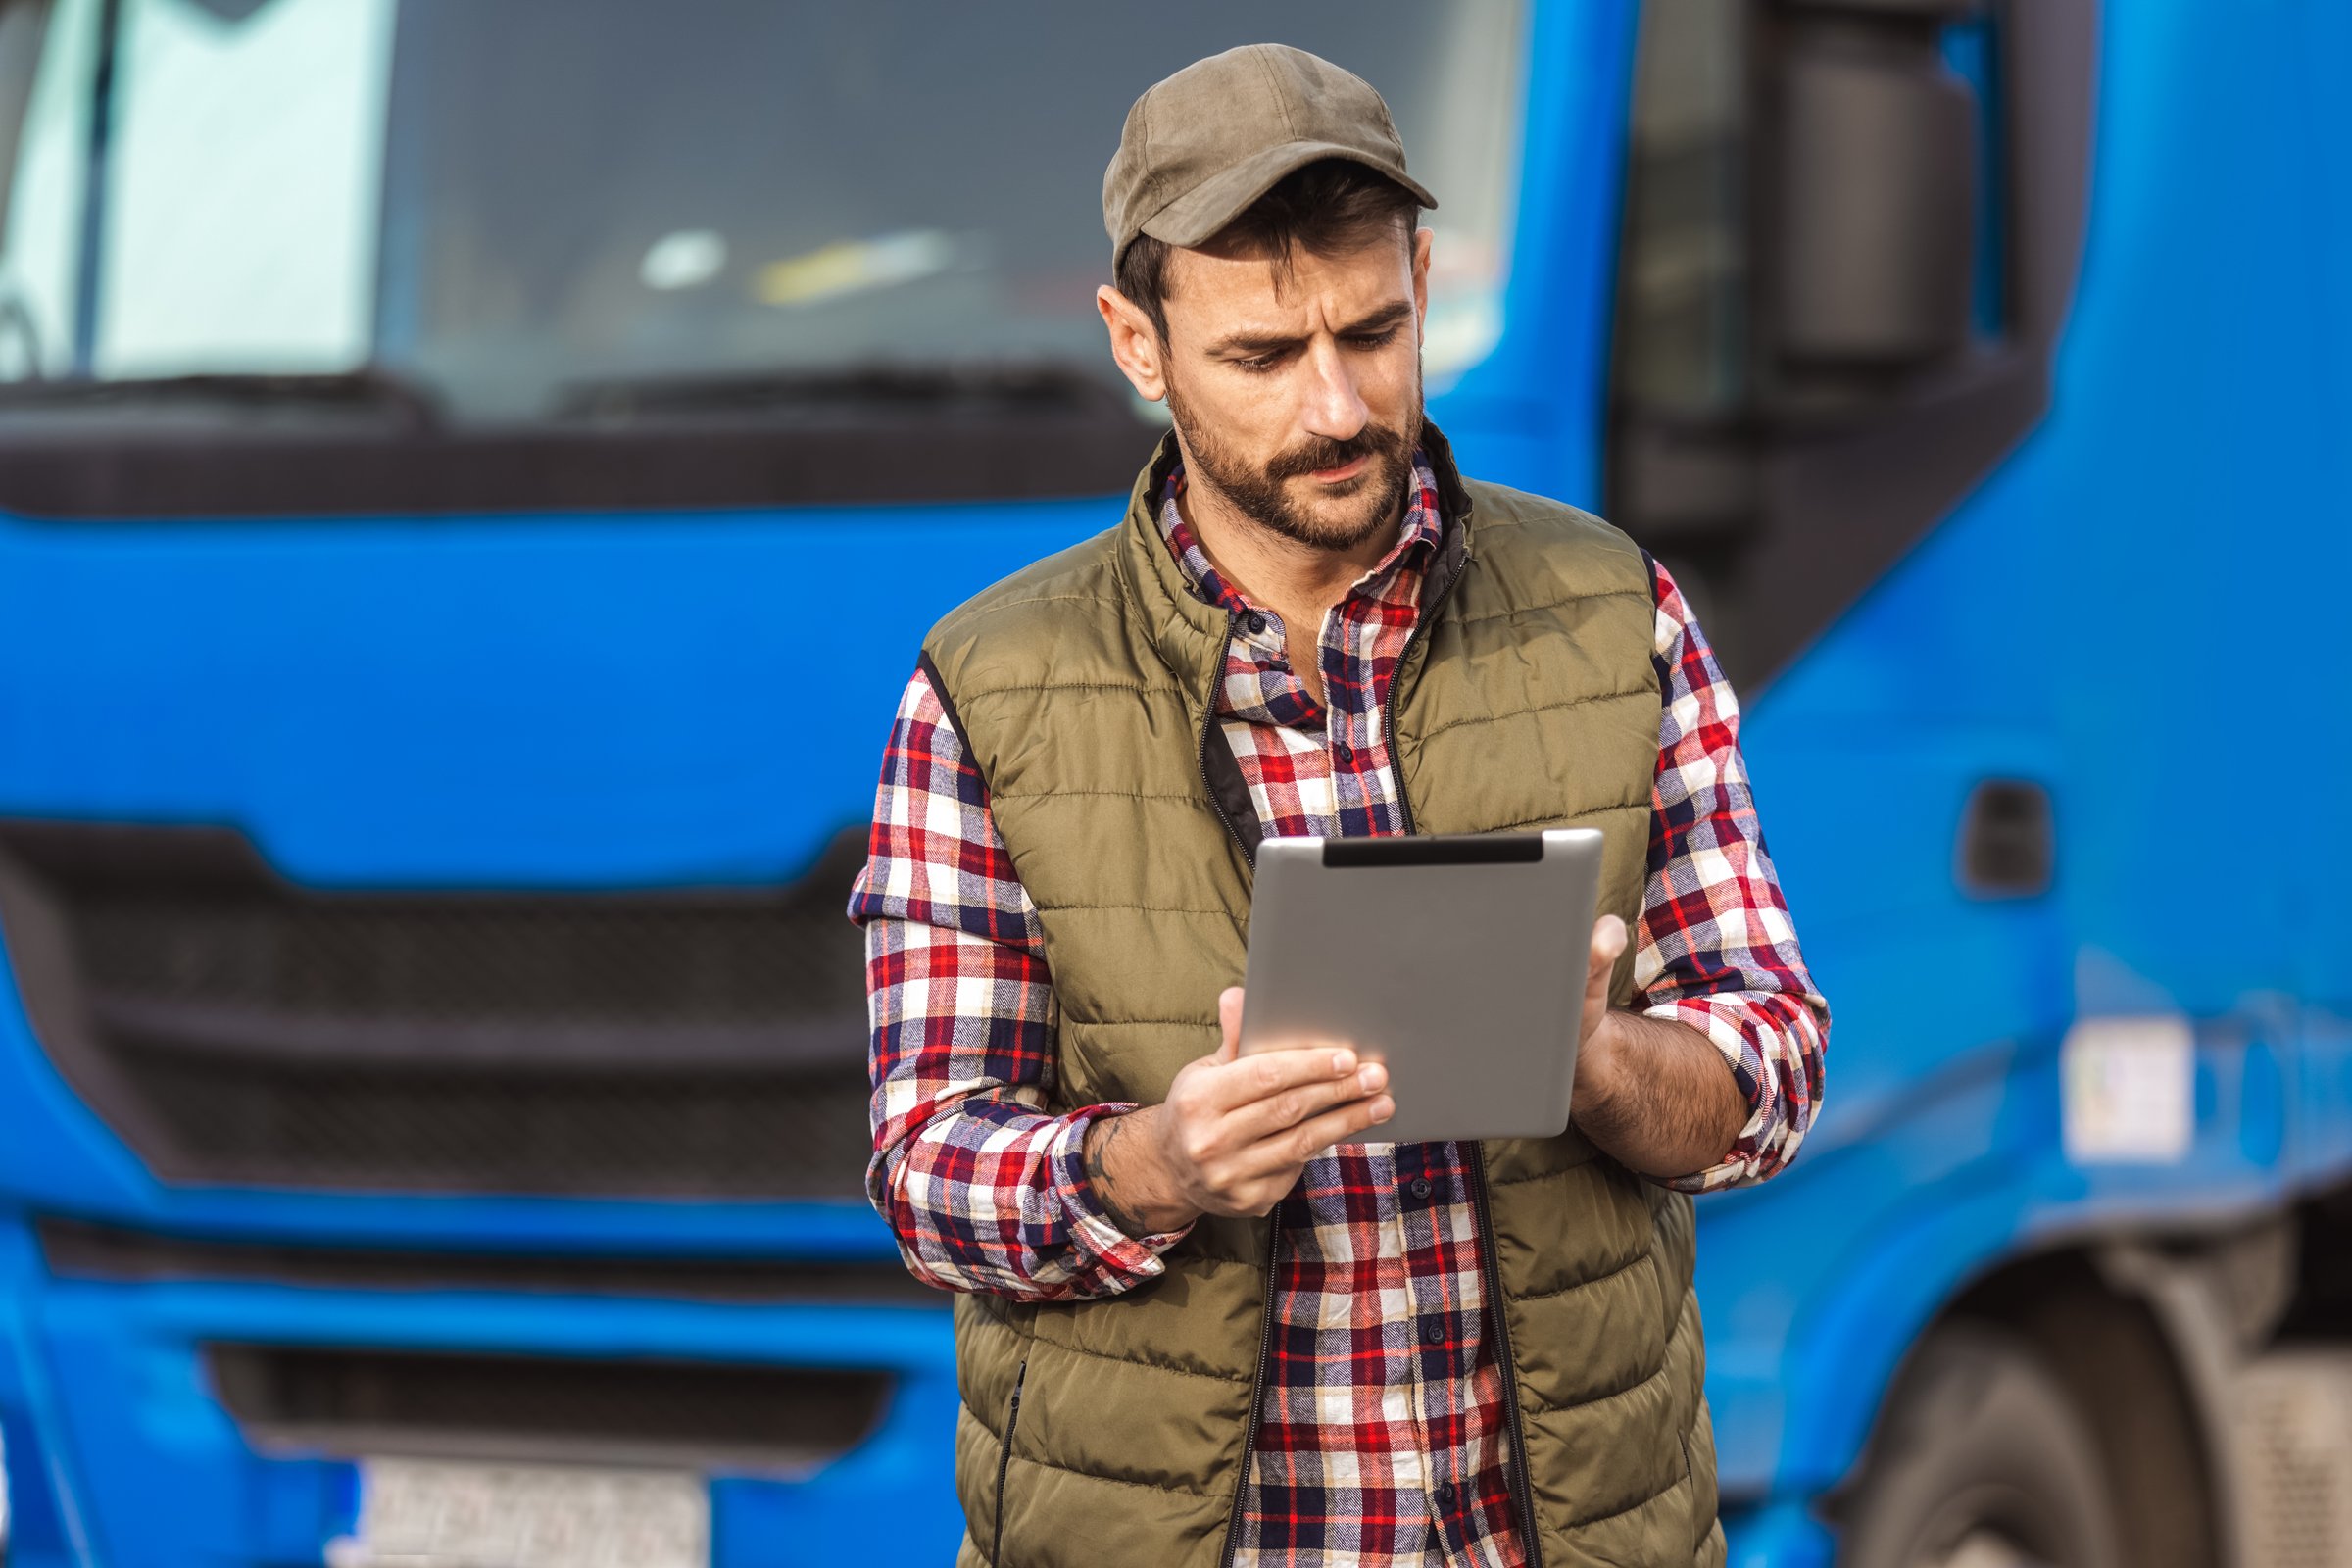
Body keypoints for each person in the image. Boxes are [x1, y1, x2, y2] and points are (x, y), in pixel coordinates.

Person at [850, 43, 1829, 1568]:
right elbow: (927, 1171)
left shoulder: (1613, 613)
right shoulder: (990, 688)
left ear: (1423, 281)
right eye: (1261, 355)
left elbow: (1771, 1067)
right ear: (1137, 343)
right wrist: (1156, 1166)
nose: (1337, 404)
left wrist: (1595, 1062)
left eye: (1374, 331)